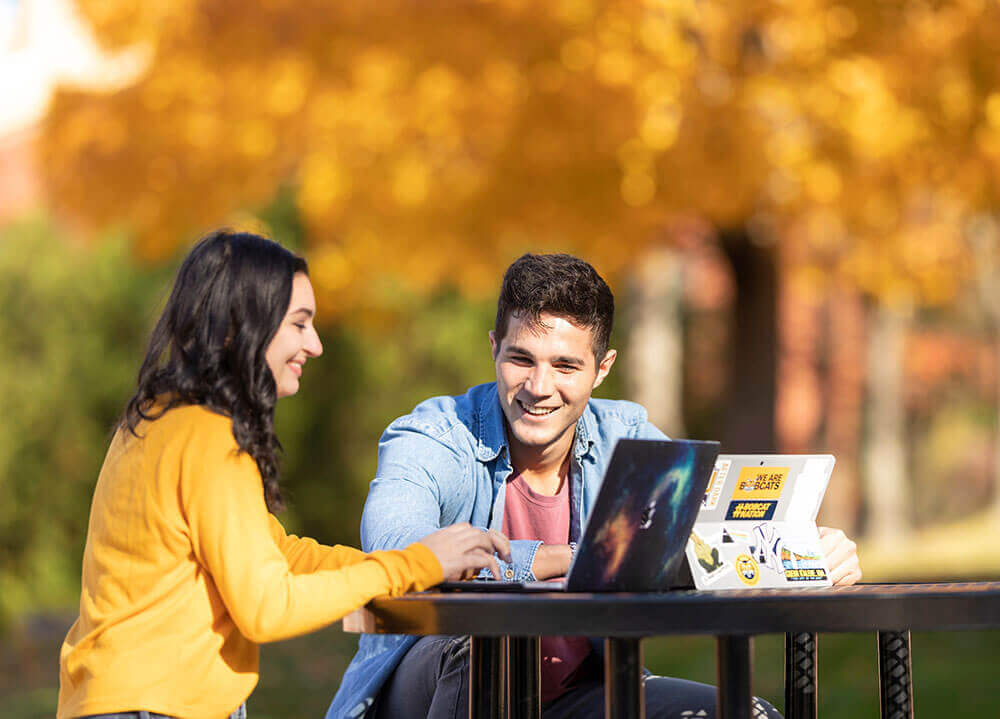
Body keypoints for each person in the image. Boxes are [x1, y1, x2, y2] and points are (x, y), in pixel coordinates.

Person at [327, 253, 862, 719]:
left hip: (577, 696)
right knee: (485, 646)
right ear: (493, 348)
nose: (539, 387)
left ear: (602, 368)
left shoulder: (626, 437)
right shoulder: (434, 434)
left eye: (565, 365)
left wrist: (809, 551)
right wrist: (569, 558)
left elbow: (710, 531)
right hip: (429, 693)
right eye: (520, 359)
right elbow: (397, 548)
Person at [57, 230, 507, 719]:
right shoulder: (208, 437)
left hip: (117, 699)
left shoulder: (160, 420)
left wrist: (415, 563)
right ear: (238, 328)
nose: (314, 344)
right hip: (154, 706)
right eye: (299, 324)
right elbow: (267, 606)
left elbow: (278, 553)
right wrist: (414, 565)